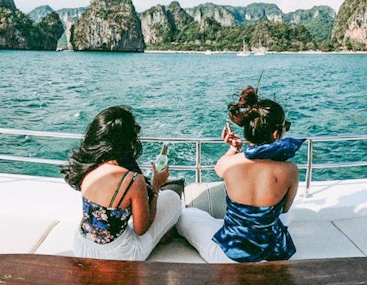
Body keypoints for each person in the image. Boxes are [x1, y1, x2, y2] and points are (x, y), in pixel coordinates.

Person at [177, 86, 304, 263]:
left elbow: (218, 168)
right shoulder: (290, 170)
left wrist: (233, 148)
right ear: (276, 134)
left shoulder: (230, 164)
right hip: (270, 254)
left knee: (186, 215)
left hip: (229, 255)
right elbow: (284, 209)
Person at [62, 105, 182, 260]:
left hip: (82, 245)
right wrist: (156, 186)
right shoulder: (132, 180)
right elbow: (141, 229)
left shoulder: (87, 166)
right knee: (172, 198)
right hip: (118, 255)